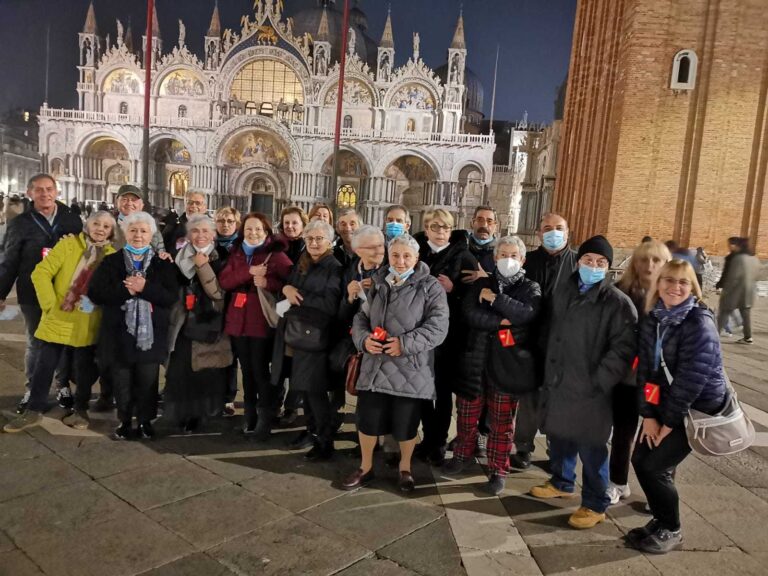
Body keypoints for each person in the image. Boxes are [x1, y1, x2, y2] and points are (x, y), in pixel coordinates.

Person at [530, 235, 637, 530]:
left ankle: (594, 503)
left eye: (601, 263)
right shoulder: (564, 290)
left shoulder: (617, 302)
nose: (593, 266)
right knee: (560, 434)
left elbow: (624, 348)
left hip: (591, 388)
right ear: (579, 262)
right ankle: (562, 481)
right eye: (588, 260)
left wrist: (599, 380)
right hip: (560, 378)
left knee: (592, 447)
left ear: (608, 268)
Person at [629, 260, 727, 554]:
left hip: (697, 408)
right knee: (640, 461)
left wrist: (667, 423)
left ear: (692, 287)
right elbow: (646, 370)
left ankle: (672, 528)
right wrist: (647, 415)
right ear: (658, 284)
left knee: (655, 467)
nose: (675, 287)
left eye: (683, 282)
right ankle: (660, 521)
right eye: (669, 280)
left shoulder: (699, 322)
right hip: (664, 402)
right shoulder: (652, 318)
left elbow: (690, 381)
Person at [343, 234, 449, 492]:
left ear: (416, 258)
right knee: (367, 420)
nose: (400, 261)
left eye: (406, 256)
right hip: (375, 365)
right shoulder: (377, 282)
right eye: (395, 255)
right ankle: (365, 467)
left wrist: (404, 343)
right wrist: (363, 339)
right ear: (388, 257)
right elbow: (361, 317)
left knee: (405, 425)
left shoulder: (430, 287)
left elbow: (438, 327)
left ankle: (405, 467)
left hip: (410, 368)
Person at [443, 236, 541, 495]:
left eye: (514, 255)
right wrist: (501, 321)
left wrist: (495, 300)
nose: (508, 259)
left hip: (506, 366)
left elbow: (525, 314)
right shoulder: (481, 284)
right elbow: (471, 314)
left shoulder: (530, 287)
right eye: (503, 254)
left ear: (522, 260)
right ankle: (462, 454)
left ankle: (498, 469)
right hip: (475, 360)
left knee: (501, 422)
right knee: (466, 415)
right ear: (495, 258)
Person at [3, 211, 116, 432]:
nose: (100, 228)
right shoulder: (69, 245)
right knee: (45, 363)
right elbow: (41, 272)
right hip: (59, 314)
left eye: (106, 226)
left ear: (111, 231)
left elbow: (110, 288)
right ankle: (33, 409)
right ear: (87, 225)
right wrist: (50, 304)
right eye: (96, 223)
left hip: (88, 317)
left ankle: (80, 409)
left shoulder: (112, 255)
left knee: (84, 367)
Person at [87, 211, 179, 440]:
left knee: (148, 381)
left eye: (144, 231)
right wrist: (126, 290)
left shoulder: (162, 264)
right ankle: (125, 421)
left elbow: (170, 297)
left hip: (151, 335)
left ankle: (146, 421)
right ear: (125, 233)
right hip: (119, 333)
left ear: (151, 235)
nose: (138, 235)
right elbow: (96, 293)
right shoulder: (112, 261)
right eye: (133, 230)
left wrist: (145, 287)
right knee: (122, 382)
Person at [0, 174, 83, 414]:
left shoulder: (71, 219)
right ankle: (31, 389)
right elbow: (9, 261)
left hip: (65, 291)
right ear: (30, 193)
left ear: (57, 191)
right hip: (32, 291)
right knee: (36, 341)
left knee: (64, 341)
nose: (45, 194)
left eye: (49, 189)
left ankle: (62, 385)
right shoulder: (20, 223)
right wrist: (2, 292)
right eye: (39, 190)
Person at [510, 212, 578, 470]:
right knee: (528, 400)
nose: (553, 233)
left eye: (559, 228)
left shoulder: (577, 263)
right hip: (530, 341)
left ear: (568, 232)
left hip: (563, 345)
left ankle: (556, 451)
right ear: (539, 233)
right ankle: (523, 448)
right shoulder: (528, 261)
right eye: (547, 228)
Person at [272, 220, 342, 460]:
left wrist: (294, 298)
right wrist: (286, 291)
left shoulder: (334, 266)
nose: (313, 243)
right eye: (309, 238)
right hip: (300, 337)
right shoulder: (304, 260)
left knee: (316, 394)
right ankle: (313, 434)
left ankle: (325, 443)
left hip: (318, 340)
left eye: (319, 239)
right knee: (305, 391)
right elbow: (290, 287)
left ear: (330, 241)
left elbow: (330, 305)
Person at [413, 209, 478, 465]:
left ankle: (437, 442)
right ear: (426, 228)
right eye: (436, 226)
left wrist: (455, 289)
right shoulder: (416, 252)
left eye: (446, 227)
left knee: (440, 393)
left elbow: (474, 297)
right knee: (419, 391)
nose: (441, 232)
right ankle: (425, 440)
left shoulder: (464, 257)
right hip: (417, 334)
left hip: (448, 339)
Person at [609, 240, 671, 504]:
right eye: (644, 259)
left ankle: (659, 492)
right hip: (626, 377)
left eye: (657, 260)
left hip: (657, 379)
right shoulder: (620, 292)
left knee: (658, 436)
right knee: (622, 433)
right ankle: (617, 482)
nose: (650, 265)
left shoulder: (673, 295)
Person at [219, 212, 292, 438]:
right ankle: (249, 414)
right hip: (238, 321)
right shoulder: (237, 252)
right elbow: (225, 281)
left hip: (262, 322)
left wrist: (268, 282)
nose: (253, 233)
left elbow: (289, 283)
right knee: (247, 371)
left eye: (258, 229)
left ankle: (265, 418)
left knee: (261, 371)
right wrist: (248, 272)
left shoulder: (276, 255)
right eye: (249, 229)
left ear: (267, 231)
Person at [163, 215, 232, 434]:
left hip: (208, 320)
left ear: (213, 234)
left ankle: (200, 415)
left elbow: (220, 293)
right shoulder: (179, 256)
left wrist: (203, 267)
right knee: (181, 369)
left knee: (204, 368)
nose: (200, 235)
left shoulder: (222, 256)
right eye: (195, 231)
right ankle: (181, 412)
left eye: (205, 231)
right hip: (182, 320)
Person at [214, 206, 241, 416]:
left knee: (231, 353)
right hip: (213, 306)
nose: (225, 225)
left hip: (235, 306)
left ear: (236, 224)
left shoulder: (241, 247)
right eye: (221, 221)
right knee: (214, 349)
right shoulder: (208, 243)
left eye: (230, 221)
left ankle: (228, 397)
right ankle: (212, 393)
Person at [716, 237, 759, 344]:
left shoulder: (738, 259)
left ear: (739, 246)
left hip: (735, 292)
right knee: (746, 314)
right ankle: (748, 337)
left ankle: (715, 335)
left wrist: (726, 291)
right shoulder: (753, 258)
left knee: (724, 312)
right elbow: (758, 275)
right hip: (749, 292)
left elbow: (733, 277)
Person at [163, 191, 208, 257]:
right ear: (185, 204)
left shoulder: (212, 228)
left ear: (205, 207)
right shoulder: (173, 226)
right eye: (190, 202)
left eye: (198, 203)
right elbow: (164, 250)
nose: (193, 206)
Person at [462, 205, 498, 282]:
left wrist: (487, 277)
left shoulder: (501, 252)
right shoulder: (460, 246)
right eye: (480, 220)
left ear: (495, 226)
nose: (484, 225)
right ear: (472, 223)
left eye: (489, 221)